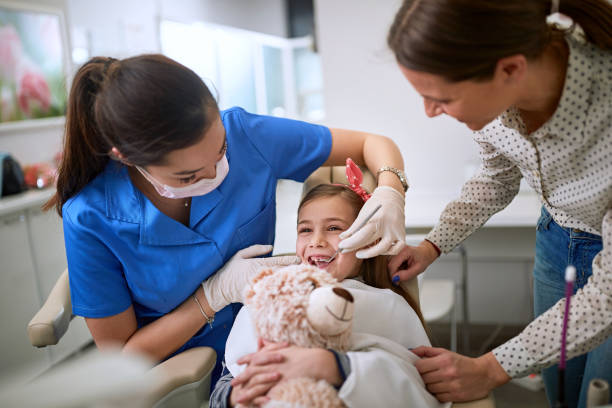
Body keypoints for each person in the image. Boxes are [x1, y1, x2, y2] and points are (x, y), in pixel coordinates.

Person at [44, 55, 409, 386]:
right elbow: (122, 356)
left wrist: (391, 190)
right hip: (180, 375)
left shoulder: (247, 136)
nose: (216, 174)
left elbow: (371, 144)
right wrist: (212, 296)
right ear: (124, 157)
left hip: (280, 337)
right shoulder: (90, 216)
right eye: (188, 177)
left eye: (220, 151)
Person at [385, 1, 612, 407]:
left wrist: (489, 368)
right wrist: (431, 245)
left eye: (442, 98)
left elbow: (605, 298)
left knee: (598, 392)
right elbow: (496, 177)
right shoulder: (496, 109)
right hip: (556, 237)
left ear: (510, 70)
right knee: (560, 382)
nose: (431, 112)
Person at [210, 177, 446, 408]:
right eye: (305, 230)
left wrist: (336, 366)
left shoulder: (389, 306)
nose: (316, 241)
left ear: (366, 240)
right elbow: (228, 380)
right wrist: (233, 396)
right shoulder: (271, 300)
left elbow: (416, 387)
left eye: (333, 228)